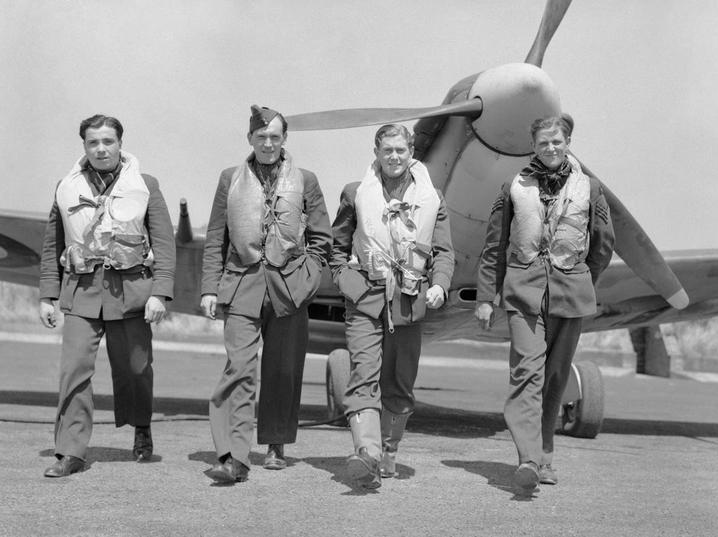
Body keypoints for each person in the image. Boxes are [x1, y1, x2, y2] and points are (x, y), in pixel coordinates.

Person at [474, 114, 615, 492]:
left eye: (557, 141)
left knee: (554, 378)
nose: (550, 148)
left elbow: (602, 246)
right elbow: (494, 247)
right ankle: (528, 460)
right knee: (526, 373)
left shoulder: (592, 189)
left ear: (568, 141)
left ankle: (545, 457)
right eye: (542, 143)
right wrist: (487, 297)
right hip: (523, 294)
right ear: (532, 146)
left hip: (571, 295)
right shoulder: (513, 186)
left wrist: (582, 280)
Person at [200, 105, 332, 484]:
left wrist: (307, 279)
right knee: (239, 368)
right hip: (241, 284)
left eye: (275, 136)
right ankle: (233, 455)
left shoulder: (306, 179)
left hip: (290, 288)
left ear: (284, 139)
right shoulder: (230, 178)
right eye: (261, 137)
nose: (268, 143)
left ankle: (275, 443)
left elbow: (322, 240)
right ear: (250, 139)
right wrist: (210, 287)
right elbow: (215, 238)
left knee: (283, 369)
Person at [39, 114, 176, 478]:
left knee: (135, 368)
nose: (101, 148)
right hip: (81, 291)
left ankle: (141, 426)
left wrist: (160, 293)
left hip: (130, 291)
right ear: (84, 146)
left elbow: (163, 242)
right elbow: (53, 243)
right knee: (74, 370)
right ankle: (70, 451)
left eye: (107, 141)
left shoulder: (145, 184)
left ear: (120, 144)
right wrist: (47, 295)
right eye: (93, 142)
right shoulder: (66, 186)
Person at [330, 124, 454, 489]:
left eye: (401, 150)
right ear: (376, 152)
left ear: (411, 150)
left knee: (399, 383)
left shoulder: (435, 198)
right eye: (388, 151)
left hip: (410, 301)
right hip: (365, 299)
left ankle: (388, 451)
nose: (394, 157)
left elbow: (444, 253)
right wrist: (349, 285)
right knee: (363, 374)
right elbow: (336, 252)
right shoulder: (354, 193)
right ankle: (365, 453)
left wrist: (440, 286)